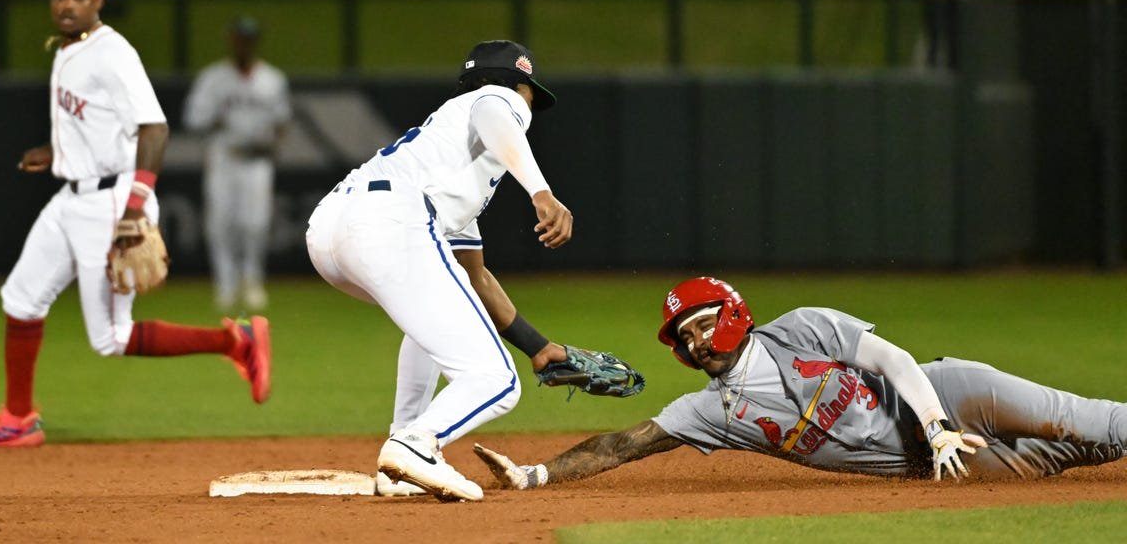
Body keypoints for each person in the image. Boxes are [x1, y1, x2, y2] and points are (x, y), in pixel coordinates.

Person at [0, 0, 271, 448]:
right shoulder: (69, 48)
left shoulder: (112, 53)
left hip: (113, 202)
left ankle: (235, 341)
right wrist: (55, 151)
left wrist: (135, 207)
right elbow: (99, 126)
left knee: (111, 338)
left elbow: (154, 128)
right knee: (20, 299)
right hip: (70, 199)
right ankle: (18, 418)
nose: (66, 3)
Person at [475, 276, 1127, 488]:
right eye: (684, 336)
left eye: (701, 324)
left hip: (951, 397)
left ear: (733, 313)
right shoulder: (708, 412)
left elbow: (895, 360)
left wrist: (937, 427)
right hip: (927, 466)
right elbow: (623, 444)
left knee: (1084, 420)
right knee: (1080, 454)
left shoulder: (802, 327)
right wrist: (534, 475)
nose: (695, 341)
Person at [305, 40, 574, 502]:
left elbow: (473, 279)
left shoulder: (445, 164)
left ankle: (399, 460)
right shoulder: (495, 99)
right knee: (496, 380)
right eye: (531, 93)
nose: (530, 106)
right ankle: (416, 444)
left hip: (332, 230)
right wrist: (540, 191)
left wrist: (538, 346)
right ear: (512, 83)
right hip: (390, 219)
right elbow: (494, 110)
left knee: (433, 318)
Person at [183, 16, 291, 312]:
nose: (244, 43)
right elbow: (193, 120)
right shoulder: (213, 79)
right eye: (240, 38)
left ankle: (252, 280)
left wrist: (274, 144)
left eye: (249, 38)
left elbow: (282, 120)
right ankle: (226, 285)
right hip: (224, 157)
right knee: (221, 224)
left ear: (256, 42)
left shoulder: (272, 79)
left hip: (257, 159)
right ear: (232, 40)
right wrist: (215, 119)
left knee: (255, 223)